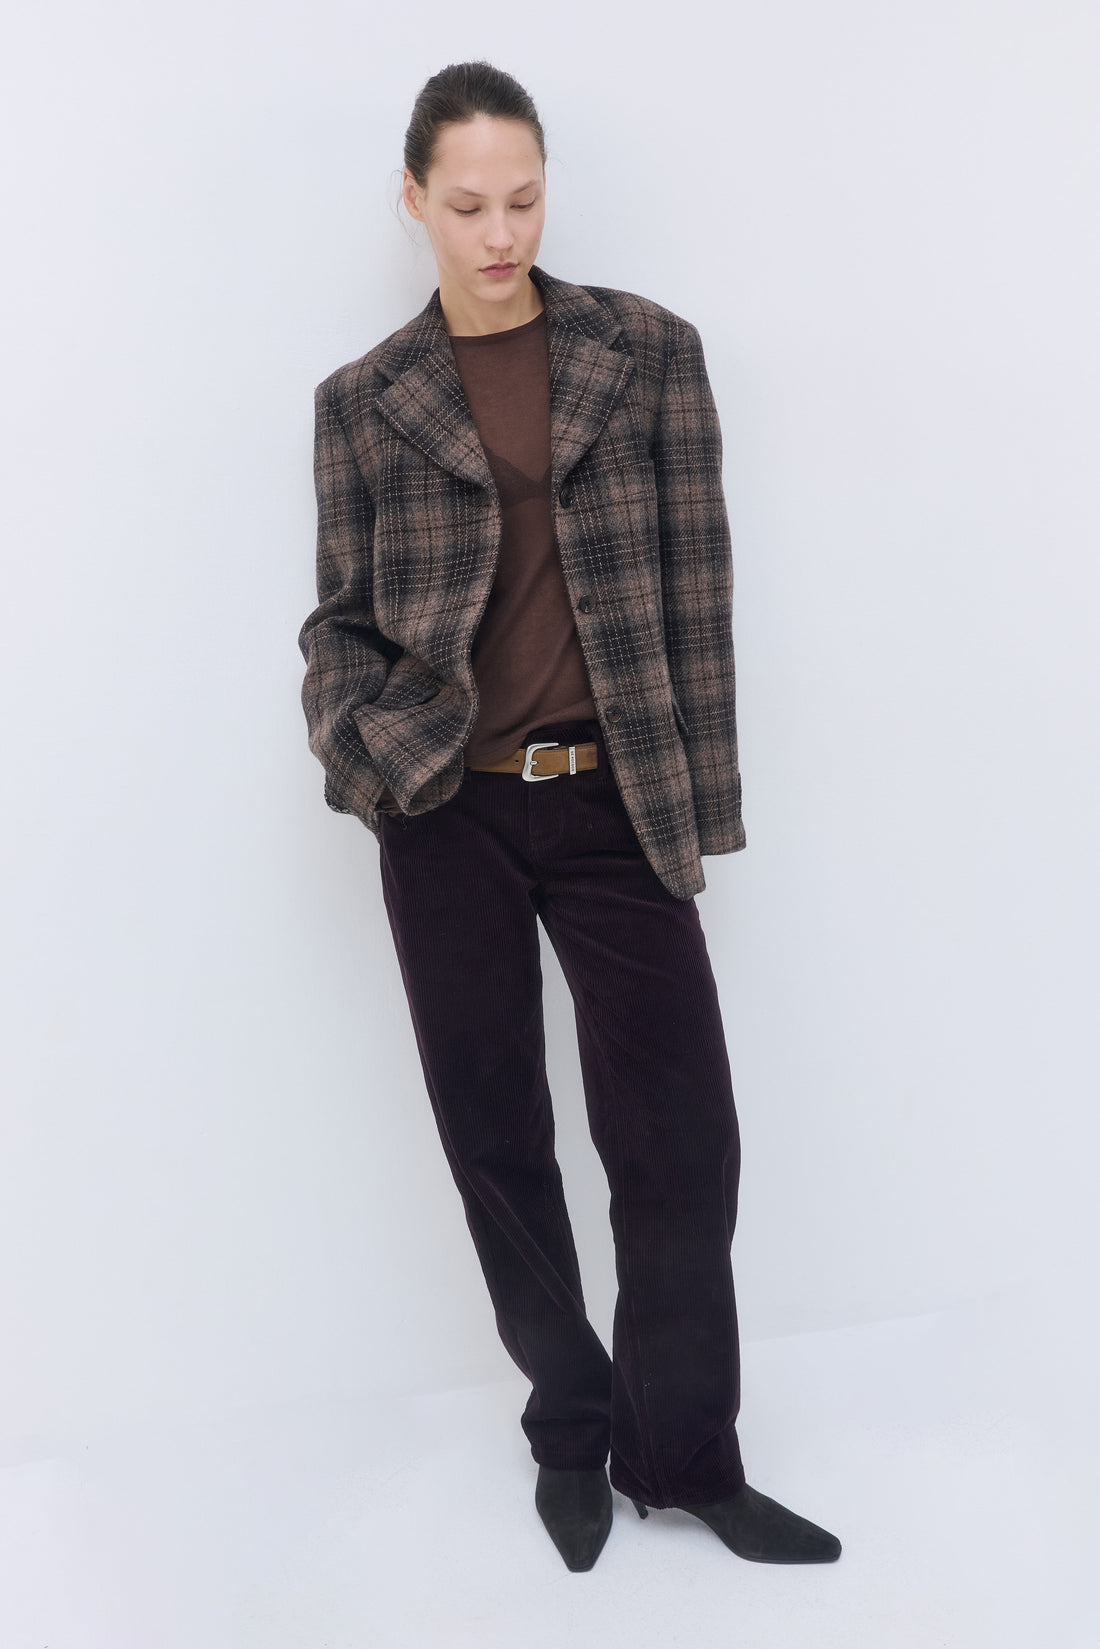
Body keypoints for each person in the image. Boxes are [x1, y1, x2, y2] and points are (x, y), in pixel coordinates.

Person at [297, 59, 842, 1574]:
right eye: (468, 205)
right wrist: (367, 759)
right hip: (445, 812)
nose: (499, 234)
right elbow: (338, 622)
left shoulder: (648, 354)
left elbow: (698, 594)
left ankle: (686, 1454)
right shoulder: (363, 402)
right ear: (415, 200)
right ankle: (569, 1428)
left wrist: (696, 811)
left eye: (524, 200)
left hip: (613, 796)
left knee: (682, 1141)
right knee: (496, 1136)